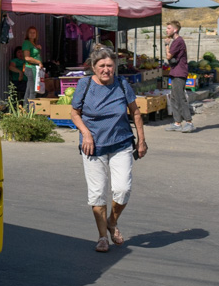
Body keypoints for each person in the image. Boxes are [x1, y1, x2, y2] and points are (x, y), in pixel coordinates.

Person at [69, 46, 147, 253]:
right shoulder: (85, 85)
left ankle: (112, 221)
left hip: (121, 143)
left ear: (115, 67)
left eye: (110, 65)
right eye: (102, 65)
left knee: (122, 189)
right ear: (94, 67)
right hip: (93, 147)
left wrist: (141, 140)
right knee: (97, 193)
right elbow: (74, 113)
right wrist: (86, 133)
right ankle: (103, 236)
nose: (106, 69)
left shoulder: (122, 84)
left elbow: (135, 112)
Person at [164, 20, 194, 133]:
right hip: (175, 72)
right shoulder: (176, 41)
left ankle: (189, 122)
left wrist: (166, 45)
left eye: (169, 28)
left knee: (180, 97)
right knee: (174, 98)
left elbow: (168, 56)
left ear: (175, 30)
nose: (166, 30)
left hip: (179, 73)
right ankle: (177, 123)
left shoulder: (178, 41)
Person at [21, 26, 43, 100]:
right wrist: (39, 62)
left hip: (35, 68)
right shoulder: (26, 43)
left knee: (29, 90)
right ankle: (30, 106)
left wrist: (37, 47)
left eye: (34, 33)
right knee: (32, 90)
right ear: (27, 34)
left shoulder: (33, 43)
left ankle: (26, 106)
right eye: (30, 32)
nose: (32, 34)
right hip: (30, 68)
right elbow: (27, 58)